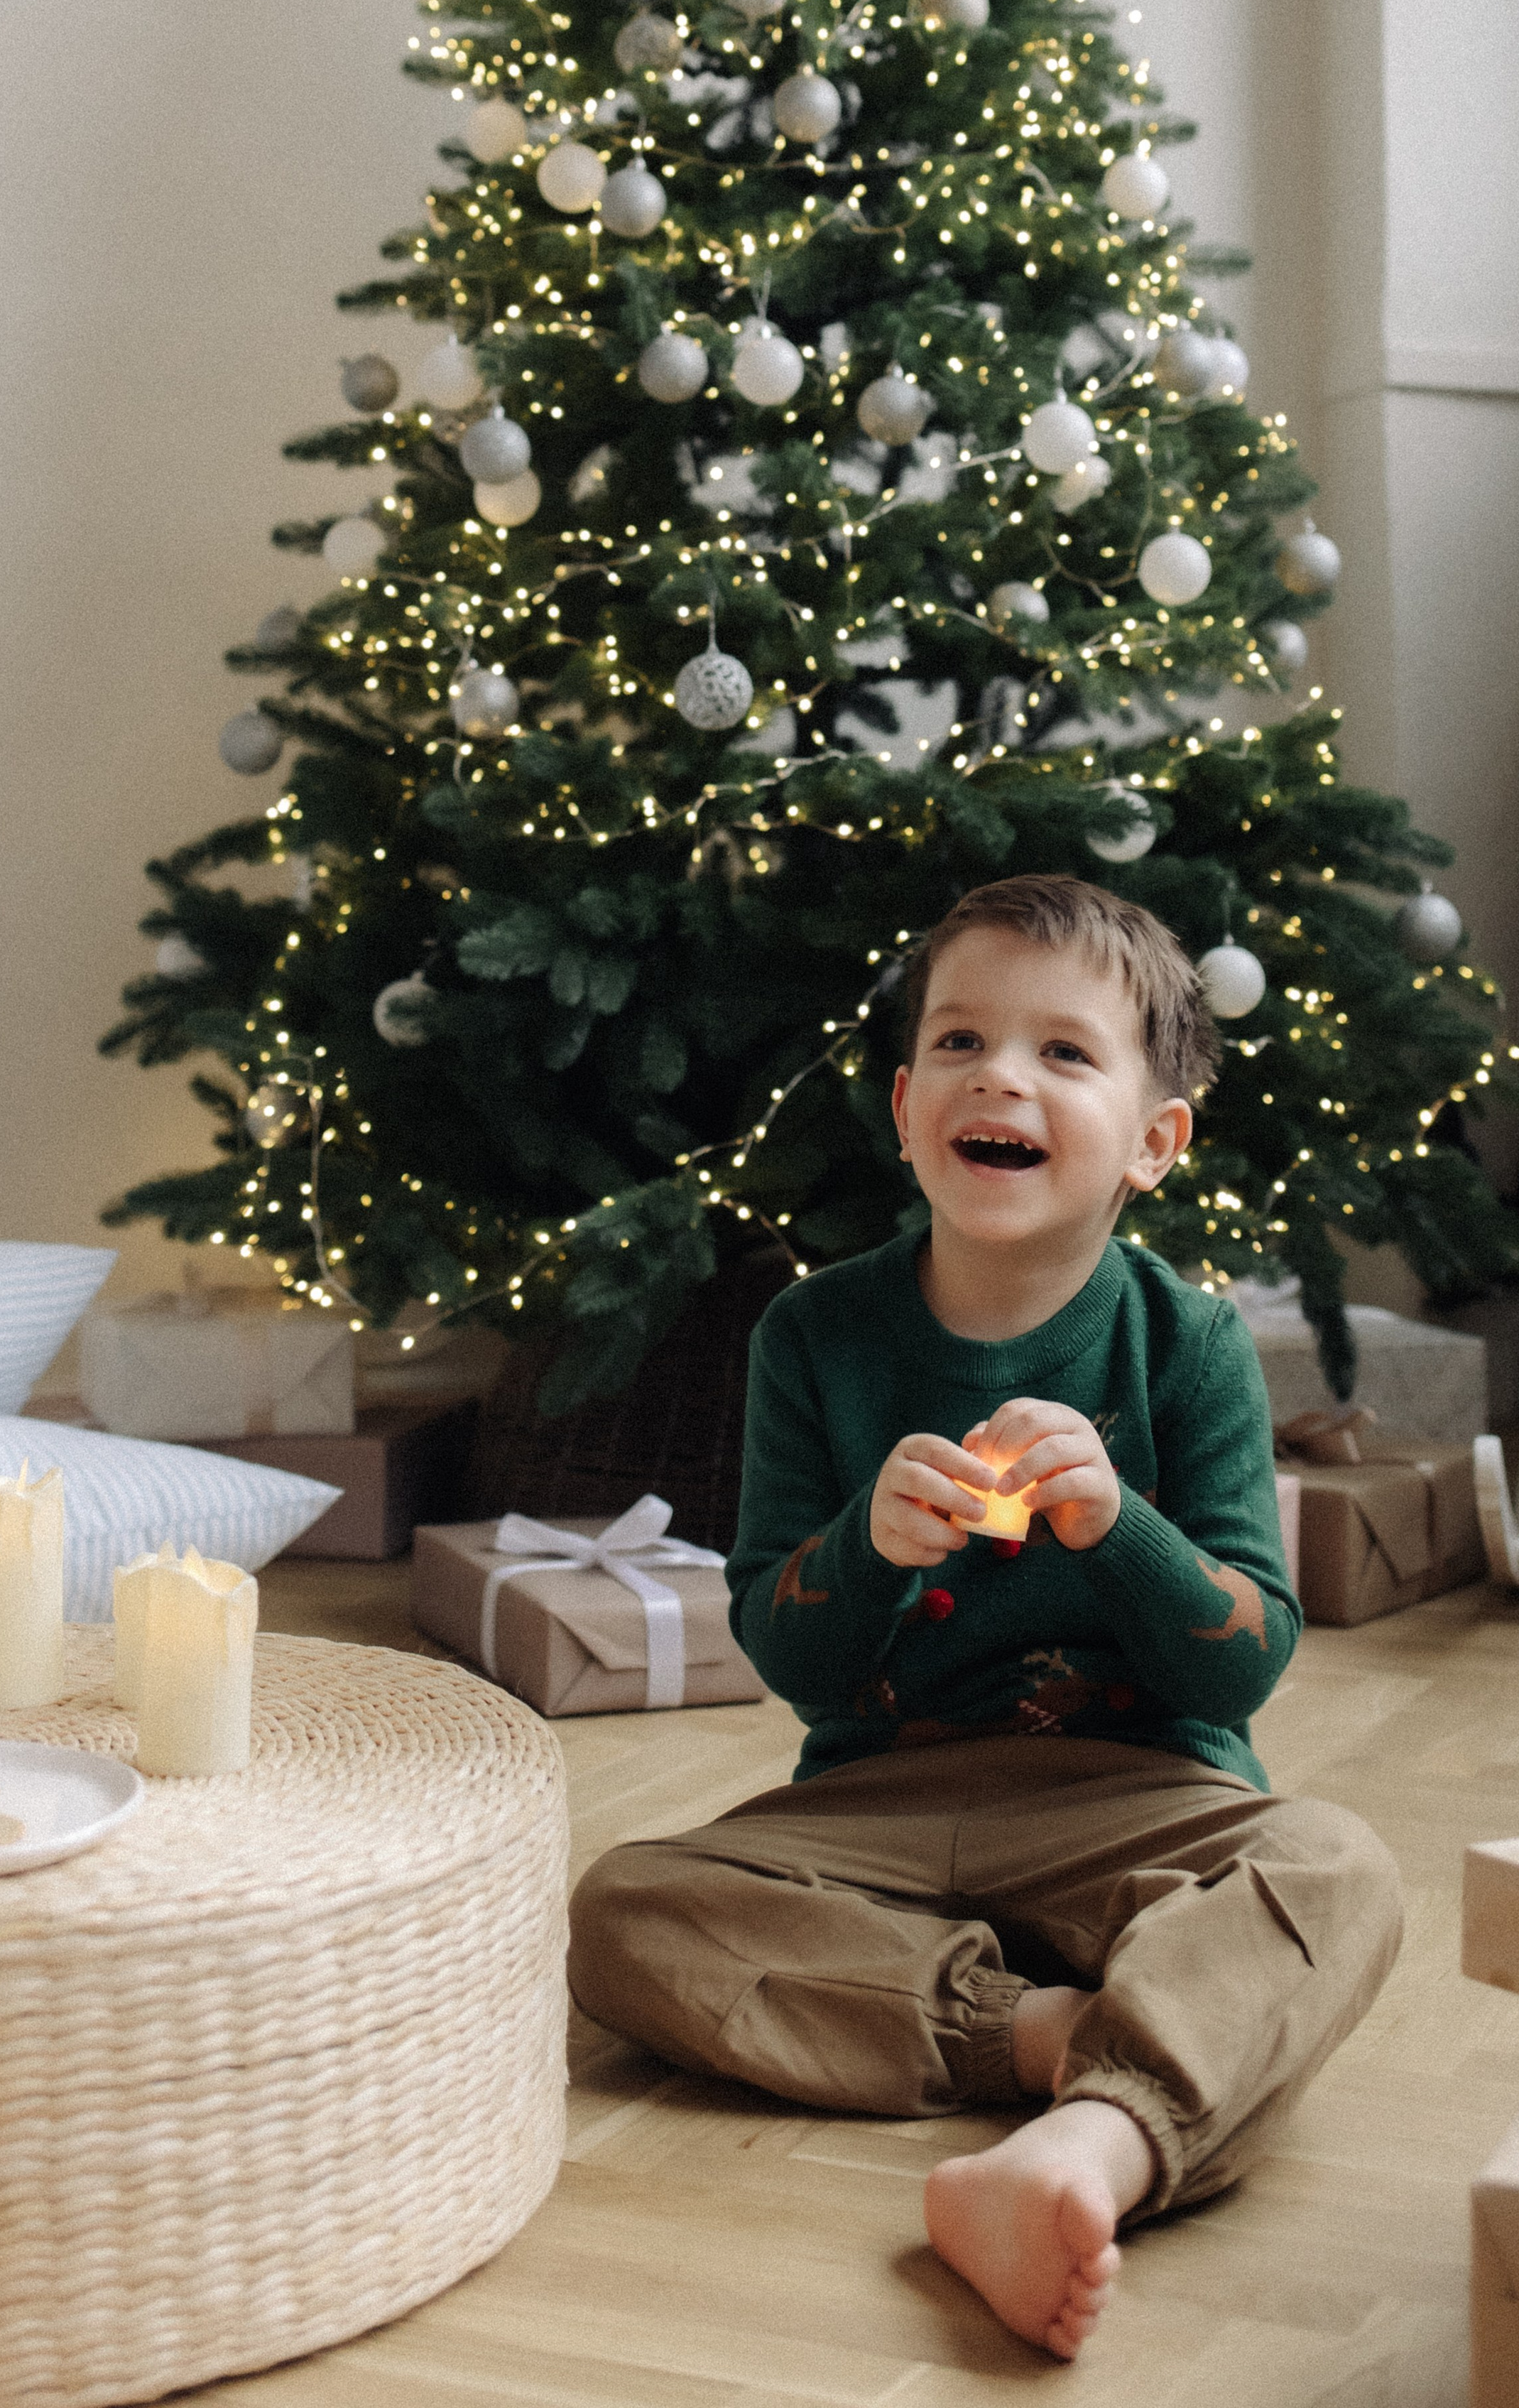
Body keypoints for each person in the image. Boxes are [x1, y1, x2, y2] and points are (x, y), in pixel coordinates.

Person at [568, 874, 1403, 2362]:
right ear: (904, 1108)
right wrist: (866, 1549)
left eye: (1062, 1054)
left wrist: (1116, 1526)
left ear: (1154, 1141)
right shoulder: (813, 1334)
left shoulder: (1187, 1342)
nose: (997, 1076)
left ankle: (1090, 2147)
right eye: (958, 1043)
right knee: (625, 1908)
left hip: (1137, 1796)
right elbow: (785, 1647)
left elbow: (1246, 1651)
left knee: (1336, 1867)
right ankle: (1056, 2042)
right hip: (880, 1807)